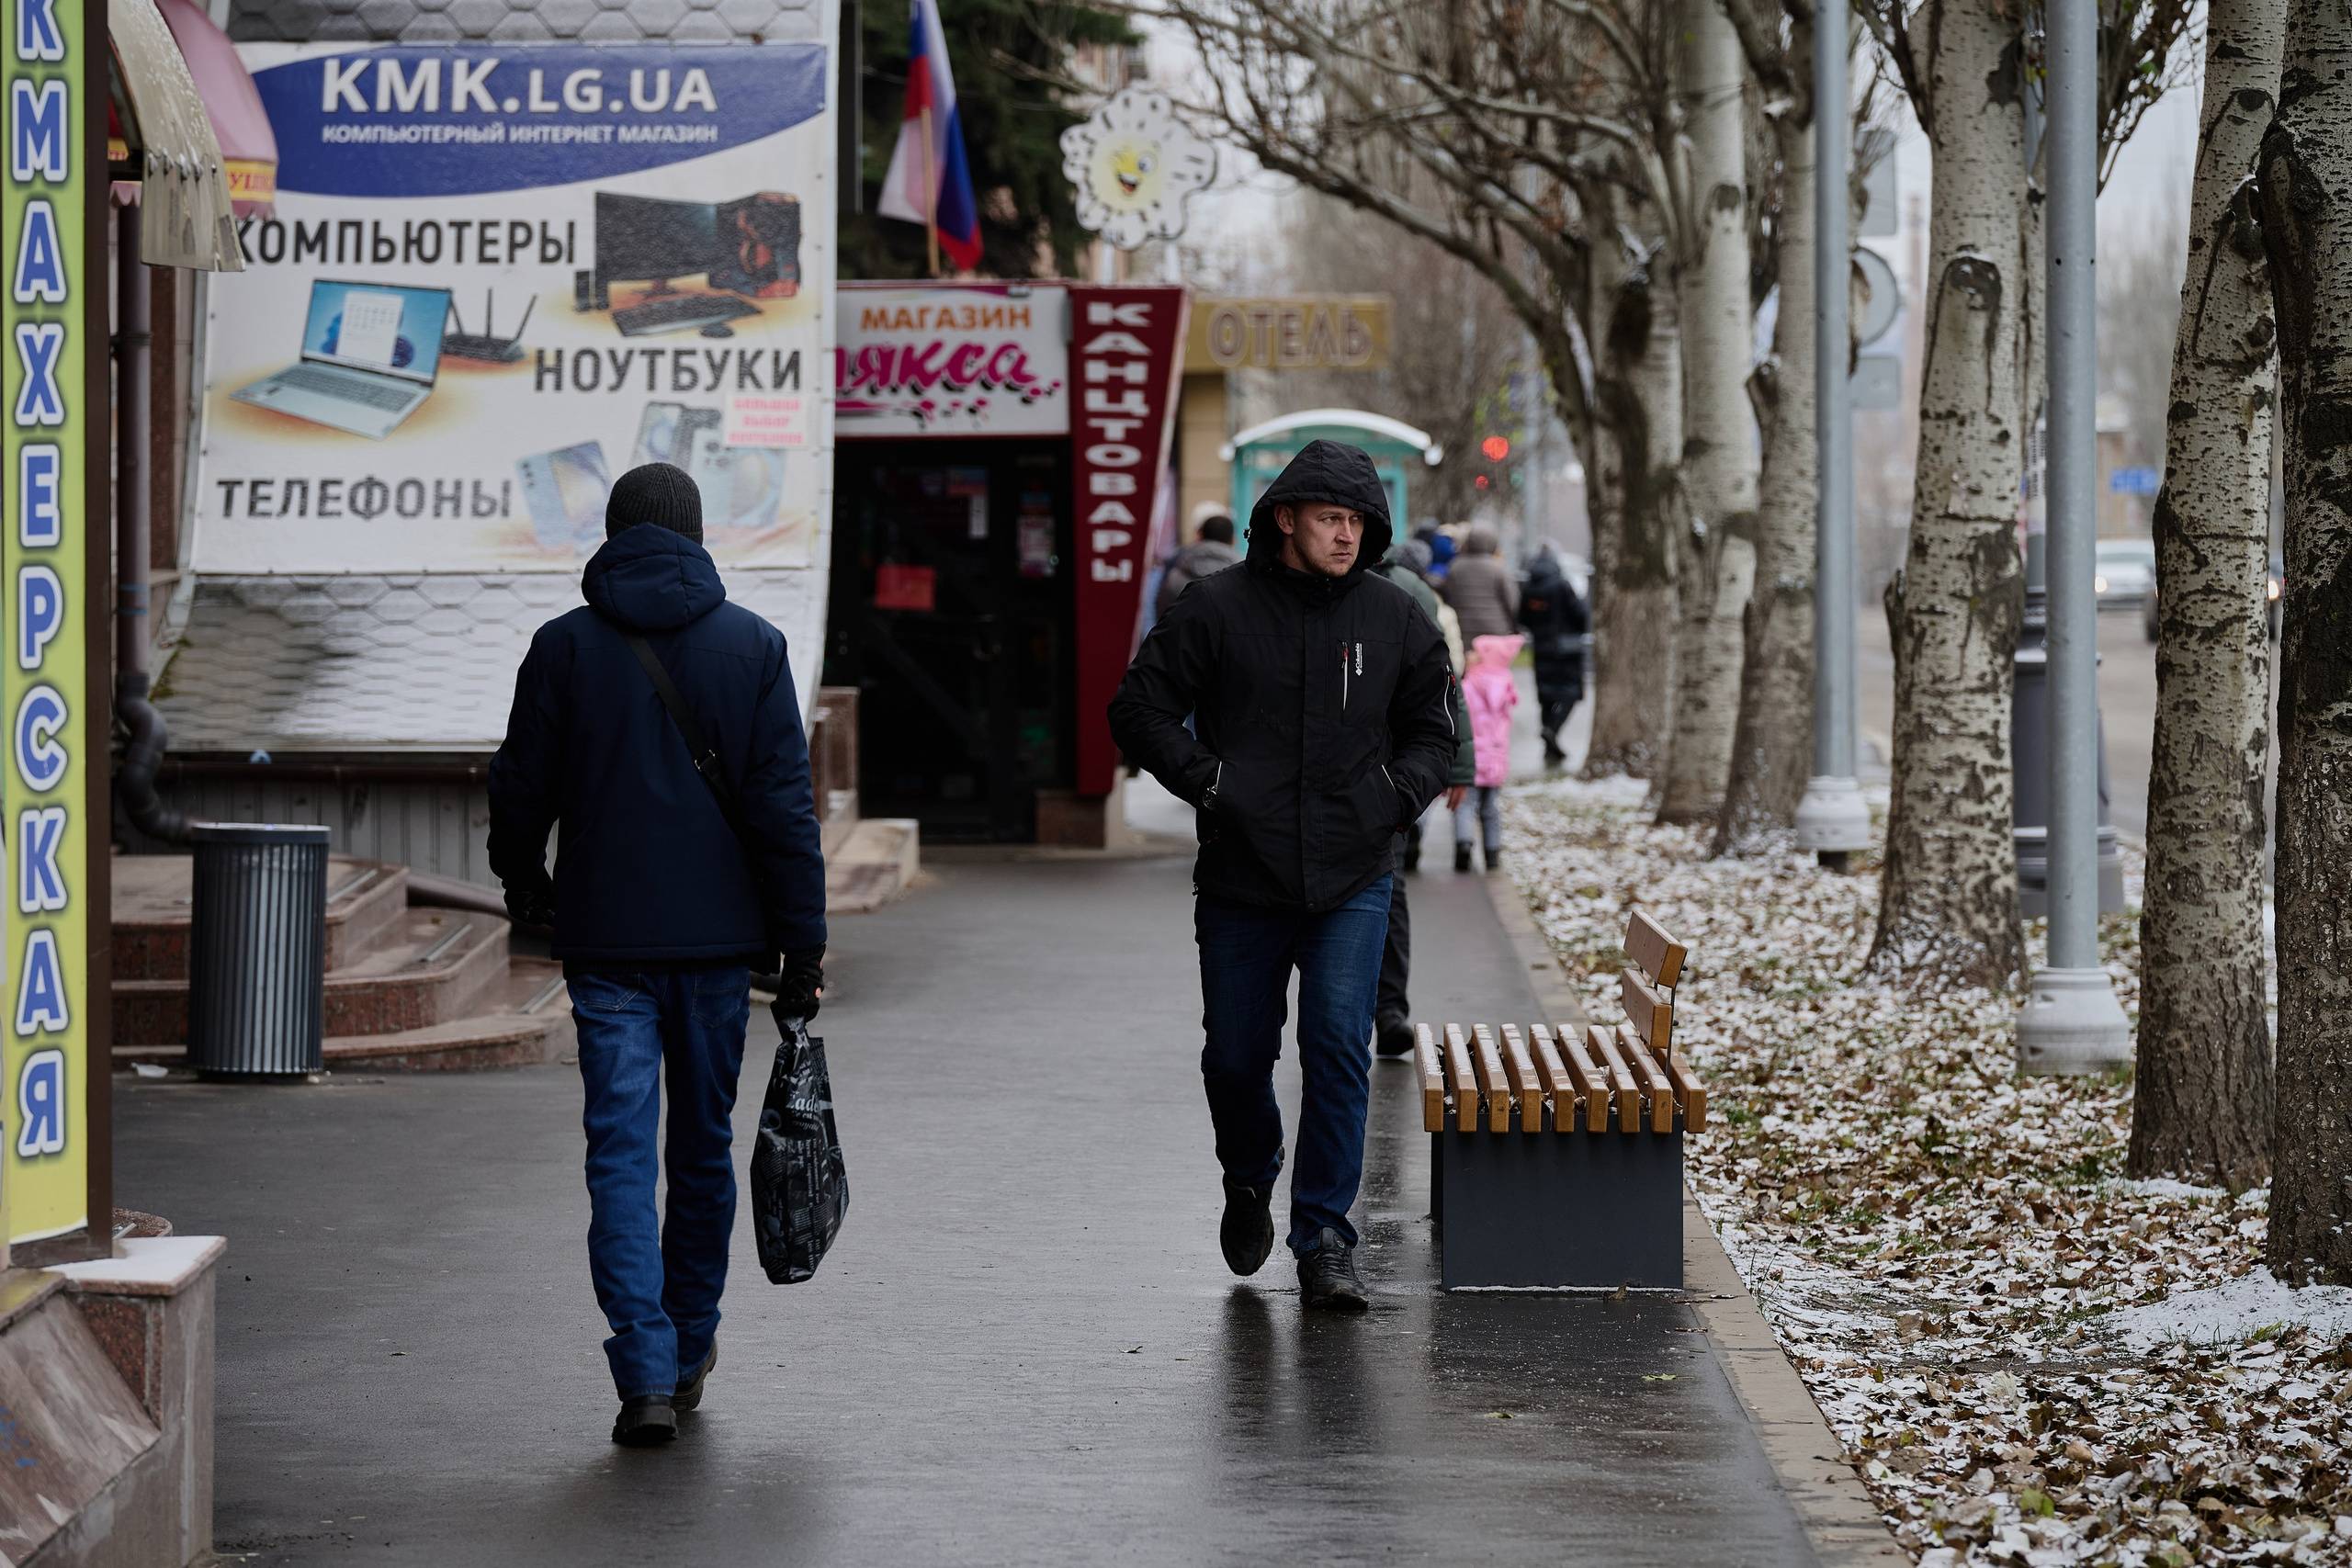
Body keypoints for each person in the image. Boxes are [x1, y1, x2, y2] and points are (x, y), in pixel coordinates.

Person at [488, 462, 829, 1448]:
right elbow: (781, 812)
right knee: (702, 1151)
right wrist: (800, 943)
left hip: (604, 945)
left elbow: (519, 789)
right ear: (694, 532)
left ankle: (640, 1368)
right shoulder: (754, 647)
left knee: (620, 1154)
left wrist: (525, 886)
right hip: (718, 949)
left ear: (613, 531)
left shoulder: (563, 648)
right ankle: (688, 1346)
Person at [1109, 440, 1456, 1312]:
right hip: (1242, 875)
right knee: (1235, 1059)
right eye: (1332, 519)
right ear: (1286, 518)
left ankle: (1325, 1239)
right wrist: (1211, 781)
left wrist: (1391, 797)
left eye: (1360, 523)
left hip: (1353, 875)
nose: (1347, 536)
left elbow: (1434, 731)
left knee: (1337, 1050)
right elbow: (1138, 708)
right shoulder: (1216, 608)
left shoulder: (1395, 616)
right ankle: (1246, 1175)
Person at [1373, 539, 1474, 1058]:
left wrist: (1457, 764)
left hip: (1383, 775)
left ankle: (1389, 1009)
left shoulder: (1406, 591)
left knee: (1385, 889)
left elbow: (1442, 679)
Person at [1455, 634, 1522, 871]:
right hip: (1495, 758)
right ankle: (1492, 853)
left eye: (1474, 652)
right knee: (1490, 807)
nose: (1468, 655)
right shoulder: (1505, 686)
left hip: (1472, 756)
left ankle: (1464, 845)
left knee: (1465, 804)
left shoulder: (1467, 685)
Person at [1518, 544, 1589, 766]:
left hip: (1541, 649)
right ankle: (1552, 730)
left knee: (1547, 696)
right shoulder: (1561, 584)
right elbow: (1580, 613)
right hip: (1565, 650)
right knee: (1571, 692)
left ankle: (1550, 746)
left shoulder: (1529, 588)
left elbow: (1523, 618)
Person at [1156, 509, 1239, 619]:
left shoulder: (1175, 573)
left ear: (1200, 536)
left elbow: (1162, 616)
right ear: (1232, 541)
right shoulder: (1244, 578)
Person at [1442, 525, 1520, 641]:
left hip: (1463, 628)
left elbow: (1448, 597)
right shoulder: (1499, 569)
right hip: (1494, 631)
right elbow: (1512, 601)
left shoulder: (1455, 567)